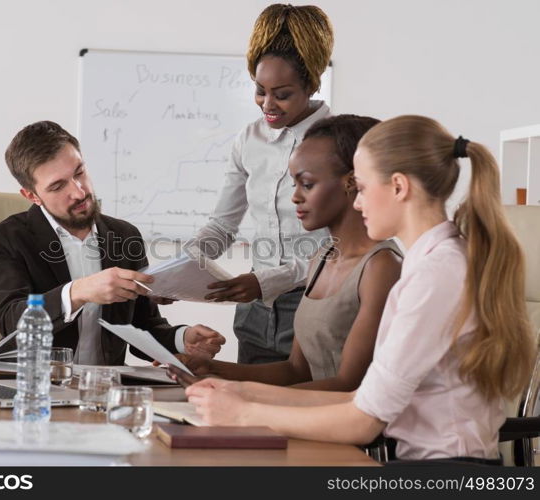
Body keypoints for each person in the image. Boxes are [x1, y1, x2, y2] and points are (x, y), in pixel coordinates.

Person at [184, 115, 537, 462]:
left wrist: (244, 413)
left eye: (363, 188)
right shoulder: (431, 262)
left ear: (399, 187)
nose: (356, 202)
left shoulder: (436, 274)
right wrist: (239, 391)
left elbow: (364, 421)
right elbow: (360, 400)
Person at [178, 115, 402, 391]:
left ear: (351, 182)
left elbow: (347, 388)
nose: (295, 197)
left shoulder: (381, 267)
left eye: (306, 184)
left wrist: (235, 393)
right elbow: (295, 371)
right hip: (309, 420)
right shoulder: (322, 258)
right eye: (294, 184)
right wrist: (212, 370)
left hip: (346, 428)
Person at [0, 120, 225, 365]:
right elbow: (12, 322)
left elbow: (142, 326)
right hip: (40, 389)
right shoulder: (3, 239)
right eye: (57, 186)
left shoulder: (125, 235)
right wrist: (79, 292)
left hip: (105, 390)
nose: (79, 192)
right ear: (32, 196)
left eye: (79, 173)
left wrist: (182, 339)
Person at [192, 4, 335, 364]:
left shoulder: (340, 141)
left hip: (317, 303)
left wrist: (268, 280)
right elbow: (222, 225)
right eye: (260, 91)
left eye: (282, 93)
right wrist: (180, 267)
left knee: (303, 412)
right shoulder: (248, 140)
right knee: (249, 412)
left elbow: (346, 250)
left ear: (311, 83)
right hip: (254, 311)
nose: (267, 105)